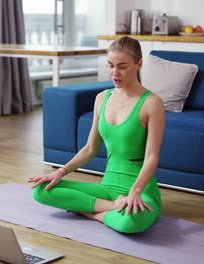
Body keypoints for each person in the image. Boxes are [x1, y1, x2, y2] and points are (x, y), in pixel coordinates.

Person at [27, 36, 165, 234]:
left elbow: (152, 157)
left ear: (139, 64)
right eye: (110, 65)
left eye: (122, 66)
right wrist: (60, 172)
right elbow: (90, 148)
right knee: (41, 190)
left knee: (130, 223)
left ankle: (89, 211)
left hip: (141, 191)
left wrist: (135, 192)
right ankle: (109, 207)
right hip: (107, 190)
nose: (114, 73)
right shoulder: (102, 98)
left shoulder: (152, 103)